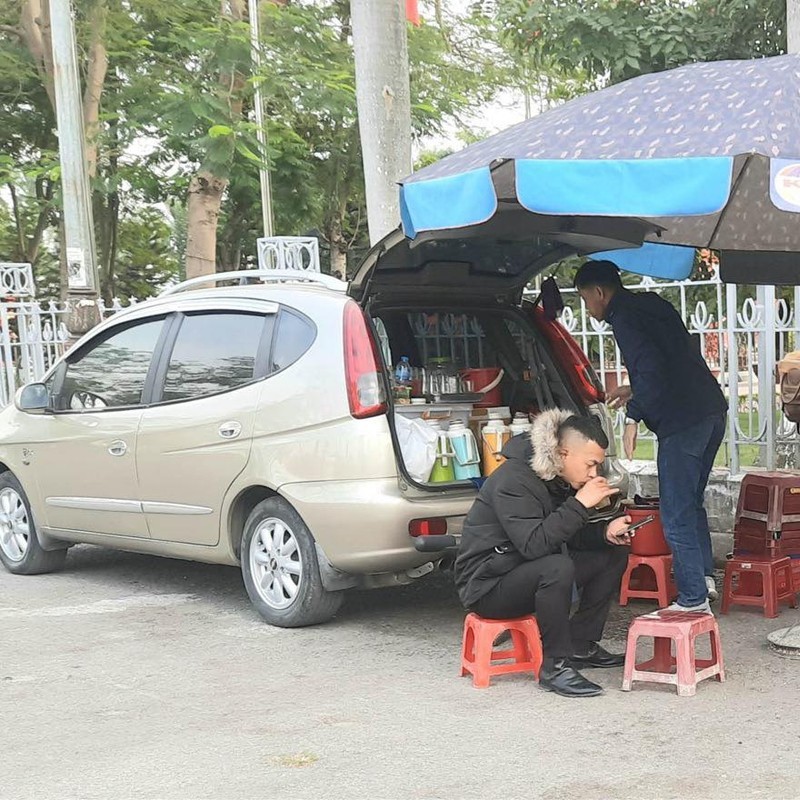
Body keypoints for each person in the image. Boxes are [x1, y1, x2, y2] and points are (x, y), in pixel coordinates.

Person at [574, 260, 728, 614]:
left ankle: (692, 600)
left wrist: (633, 415)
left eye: (585, 299)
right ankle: (702, 578)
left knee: (675, 512)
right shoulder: (653, 304)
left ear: (599, 292)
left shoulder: (624, 319)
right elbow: (669, 362)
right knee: (690, 502)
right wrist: (634, 389)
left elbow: (653, 369)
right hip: (709, 410)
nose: (588, 307)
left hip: (682, 421)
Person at [454, 409, 631, 698]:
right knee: (555, 567)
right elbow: (534, 544)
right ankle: (555, 667)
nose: (593, 474)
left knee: (611, 553)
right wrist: (580, 505)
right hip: (487, 584)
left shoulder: (554, 478)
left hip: (521, 568)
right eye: (590, 465)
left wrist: (604, 533)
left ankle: (581, 644)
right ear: (563, 453)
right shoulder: (514, 480)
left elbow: (563, 536)